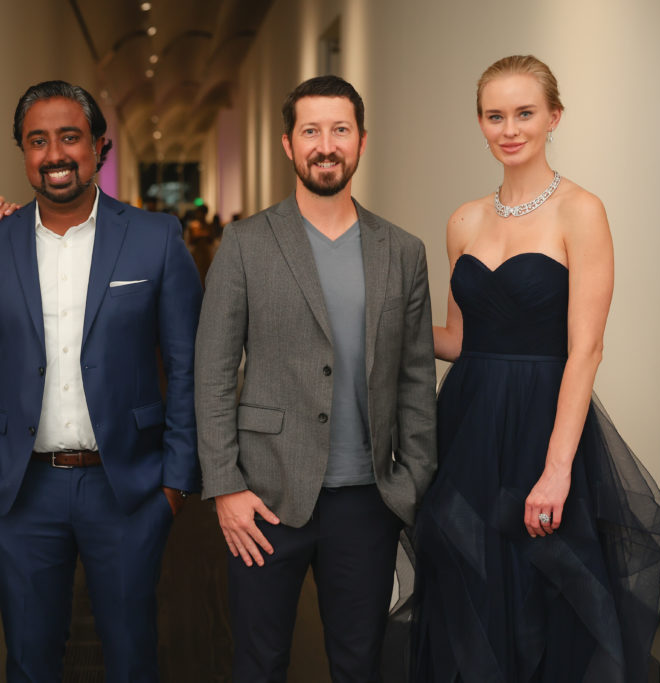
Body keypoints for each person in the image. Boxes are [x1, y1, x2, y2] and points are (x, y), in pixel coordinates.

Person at [411, 55, 660, 683]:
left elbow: (586, 349)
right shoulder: (463, 220)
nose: (509, 129)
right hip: (470, 425)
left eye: (525, 113)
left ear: (553, 117)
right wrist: (382, 328)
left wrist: (557, 469)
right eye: (495, 115)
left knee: (545, 597)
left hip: (545, 424)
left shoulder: (580, 210)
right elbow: (458, 338)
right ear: (480, 123)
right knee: (467, 585)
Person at [0, 81, 202, 682]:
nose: (54, 154)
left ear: (98, 146)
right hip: (19, 492)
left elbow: (189, 365)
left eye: (69, 137)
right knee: (30, 660)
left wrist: (175, 482)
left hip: (131, 491)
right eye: (37, 141)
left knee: (133, 656)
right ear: (23, 153)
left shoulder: (155, 238)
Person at [195, 75, 438, 682]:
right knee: (259, 662)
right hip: (264, 500)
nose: (325, 144)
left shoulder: (402, 251)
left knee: (359, 664)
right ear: (288, 144)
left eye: (339, 130)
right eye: (310, 131)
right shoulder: (246, 243)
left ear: (360, 141)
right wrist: (226, 487)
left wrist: (410, 483)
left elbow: (414, 375)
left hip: (368, 501)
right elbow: (214, 371)